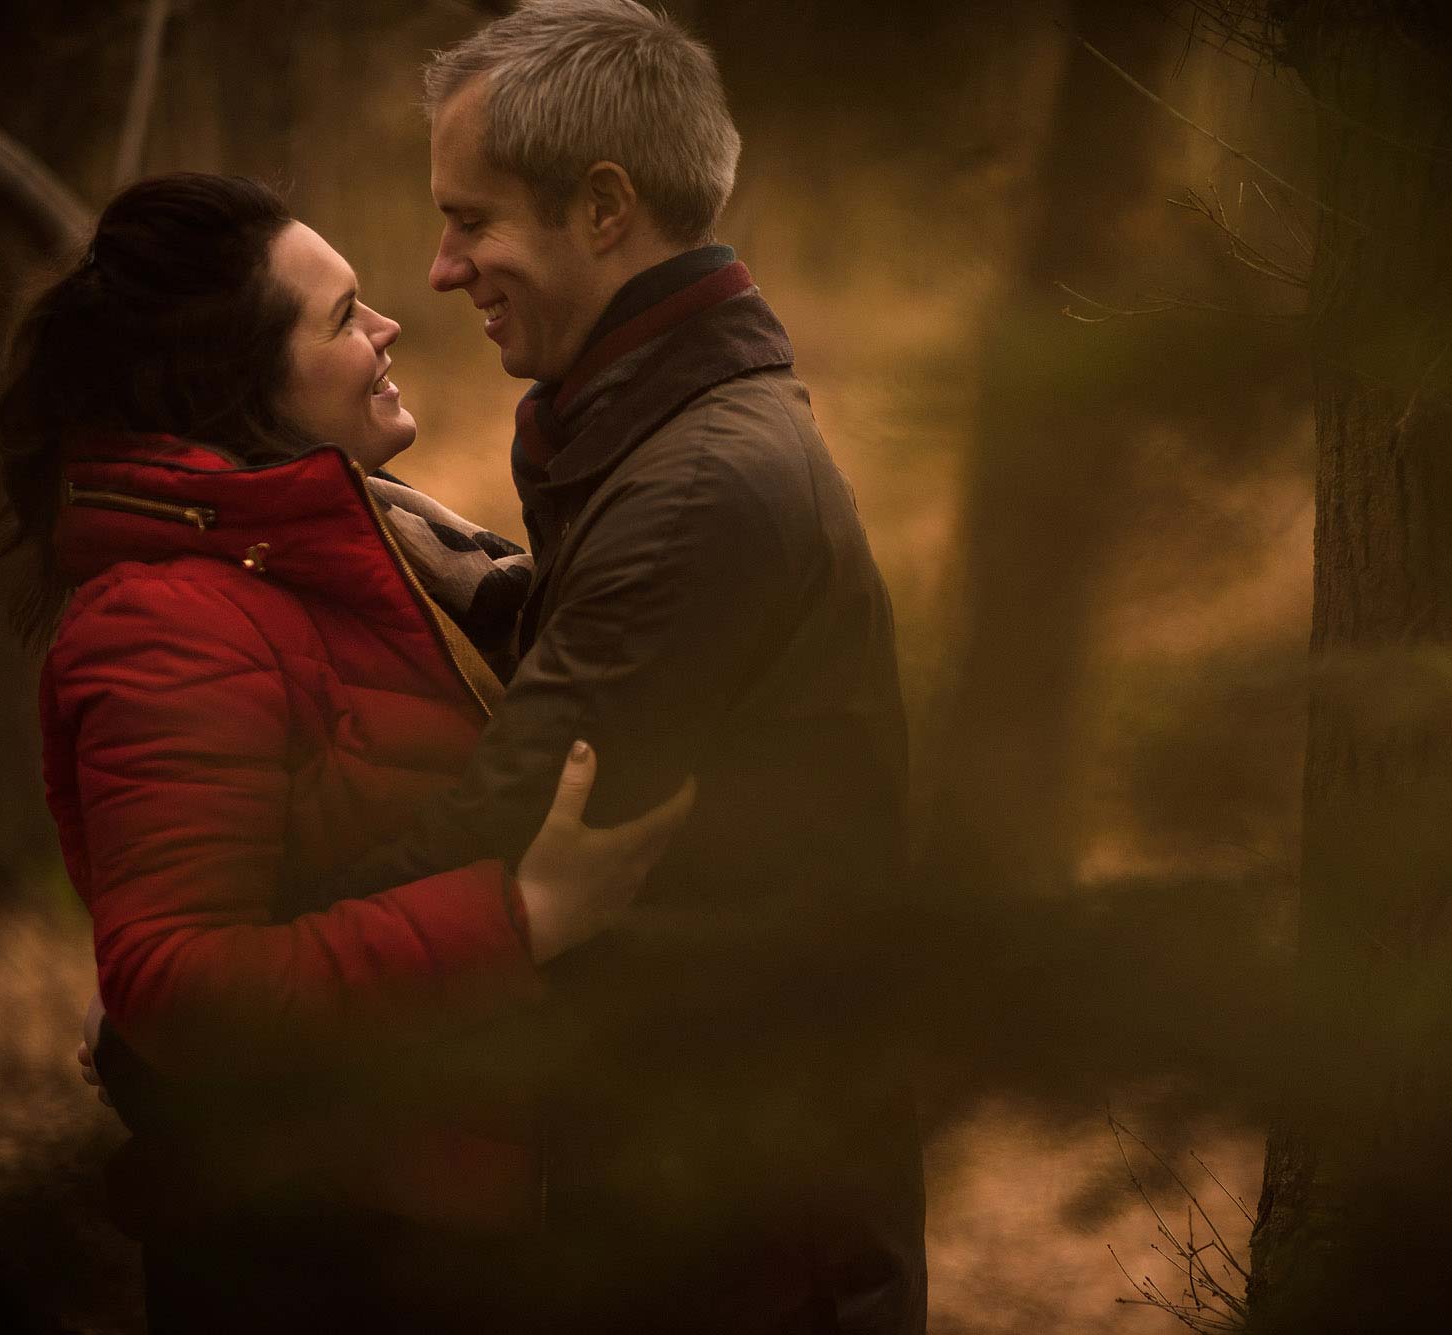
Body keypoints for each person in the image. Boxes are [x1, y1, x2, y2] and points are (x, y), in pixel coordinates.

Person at [0, 171, 692, 1332]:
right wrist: (520, 918)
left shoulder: (365, 545)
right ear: (243, 387)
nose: (387, 329)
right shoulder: (168, 619)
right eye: (340, 316)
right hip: (312, 1255)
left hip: (424, 1222)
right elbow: (180, 986)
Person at [345, 3, 928, 1329]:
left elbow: (494, 838)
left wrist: (199, 1004)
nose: (442, 268)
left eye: (472, 219)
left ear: (603, 209)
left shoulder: (695, 490)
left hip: (746, 1253)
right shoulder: (664, 443)